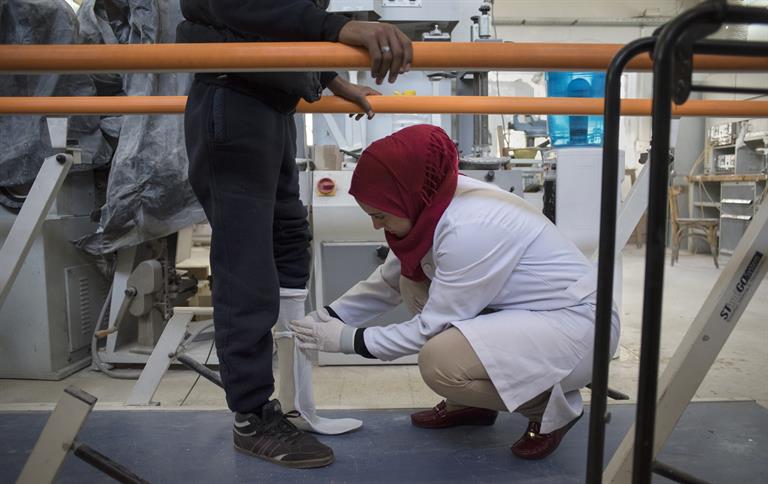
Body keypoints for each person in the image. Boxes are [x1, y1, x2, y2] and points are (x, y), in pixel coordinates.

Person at [291, 124, 621, 461]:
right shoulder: (431, 201)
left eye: (381, 215)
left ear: (406, 196)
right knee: (412, 282)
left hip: (578, 326)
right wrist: (326, 317)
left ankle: (550, 411)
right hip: (534, 313)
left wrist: (347, 340)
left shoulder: (469, 228)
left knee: (440, 362)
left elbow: (429, 331)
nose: (377, 226)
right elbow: (389, 281)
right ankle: (471, 405)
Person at [177, 0, 413, 469]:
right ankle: (251, 415)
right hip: (234, 98)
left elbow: (276, 26)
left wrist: (332, 78)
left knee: (288, 243)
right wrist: (339, 29)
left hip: (273, 105)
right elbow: (244, 9)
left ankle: (292, 396)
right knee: (247, 270)